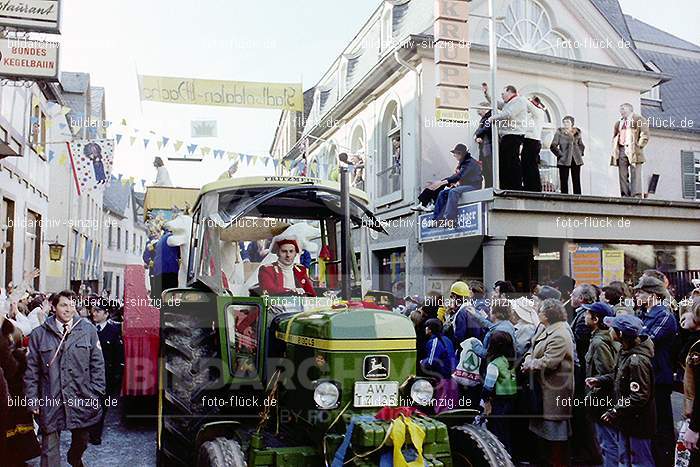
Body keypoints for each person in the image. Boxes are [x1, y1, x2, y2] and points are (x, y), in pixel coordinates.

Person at [24, 290, 106, 467]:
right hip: (51, 398)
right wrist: (32, 400)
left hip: (82, 398)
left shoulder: (88, 330)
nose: (68, 309)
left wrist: (97, 392)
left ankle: (74, 457)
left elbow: (97, 364)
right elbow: (31, 372)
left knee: (82, 440)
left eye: (72, 305)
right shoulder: (39, 334)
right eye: (63, 305)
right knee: (49, 449)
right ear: (53, 307)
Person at [586, 314, 655, 467]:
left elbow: (639, 396)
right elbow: (619, 376)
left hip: (638, 423)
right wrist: (600, 380)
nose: (609, 330)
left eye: (612, 328)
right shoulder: (625, 352)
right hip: (627, 419)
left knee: (640, 461)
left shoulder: (637, 360)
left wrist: (615, 411)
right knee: (625, 459)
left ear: (621, 334)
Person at [522, 299, 575, 466]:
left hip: (555, 390)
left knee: (555, 434)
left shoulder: (560, 333)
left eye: (540, 312)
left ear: (548, 315)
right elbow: (531, 348)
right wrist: (529, 359)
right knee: (544, 432)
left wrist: (529, 364)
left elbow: (550, 362)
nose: (538, 314)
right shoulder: (546, 328)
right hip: (543, 388)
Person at [635, 275, 678, 466]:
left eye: (640, 291)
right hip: (644, 376)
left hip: (658, 377)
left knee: (662, 426)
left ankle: (666, 461)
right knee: (648, 426)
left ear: (653, 294)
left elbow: (647, 341)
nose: (636, 294)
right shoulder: (643, 313)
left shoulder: (664, 315)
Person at [583, 302, 619, 467]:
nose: (584, 316)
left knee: (607, 443)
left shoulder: (599, 342)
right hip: (604, 400)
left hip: (602, 401)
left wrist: (590, 398)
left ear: (596, 319)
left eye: (587, 314)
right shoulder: (601, 338)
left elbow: (608, 374)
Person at [411, 144, 482, 222]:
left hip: (473, 186)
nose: (454, 156)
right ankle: (436, 219)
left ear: (460, 153)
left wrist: (442, 182)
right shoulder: (463, 163)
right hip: (464, 185)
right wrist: (440, 182)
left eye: (455, 154)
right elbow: (455, 176)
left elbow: (459, 176)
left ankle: (450, 219)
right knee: (442, 192)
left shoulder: (470, 163)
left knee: (453, 191)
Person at [89, 303, 124, 445]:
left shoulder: (114, 330)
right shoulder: (89, 329)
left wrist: (117, 376)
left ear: (106, 313)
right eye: (93, 311)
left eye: (98, 311)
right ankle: (90, 432)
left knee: (102, 405)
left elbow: (119, 355)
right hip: (90, 373)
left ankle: (96, 434)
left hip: (106, 375)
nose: (94, 314)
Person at [481, 331, 517, 453]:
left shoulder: (494, 364)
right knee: (506, 431)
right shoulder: (509, 360)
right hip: (511, 400)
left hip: (498, 402)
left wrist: (486, 402)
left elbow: (488, 387)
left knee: (497, 433)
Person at [488, 85, 528, 190]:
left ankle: (515, 186)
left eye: (503, 93)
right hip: (508, 136)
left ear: (510, 92)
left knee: (511, 161)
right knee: (504, 161)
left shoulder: (519, 101)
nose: (502, 96)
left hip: (513, 135)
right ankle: (506, 185)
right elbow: (497, 104)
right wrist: (486, 94)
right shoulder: (509, 103)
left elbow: (509, 114)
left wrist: (493, 118)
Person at [610, 103, 650, 197]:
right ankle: (624, 194)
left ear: (630, 109)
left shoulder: (639, 119)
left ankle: (636, 194)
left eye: (623, 109)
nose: (621, 111)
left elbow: (645, 134)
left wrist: (639, 146)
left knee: (635, 172)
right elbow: (616, 135)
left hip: (633, 148)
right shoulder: (619, 122)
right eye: (620, 109)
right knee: (622, 174)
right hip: (621, 148)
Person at [420, 318, 458, 414]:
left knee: (441, 409)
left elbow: (431, 361)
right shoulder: (447, 339)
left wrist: (421, 362)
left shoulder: (434, 341)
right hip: (451, 378)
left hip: (442, 378)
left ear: (430, 329)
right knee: (450, 408)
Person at [550, 116, 585, 195]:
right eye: (564, 122)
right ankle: (564, 197)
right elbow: (553, 146)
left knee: (576, 180)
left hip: (576, 159)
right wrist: (560, 155)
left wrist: (579, 153)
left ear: (572, 123)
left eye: (568, 122)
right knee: (564, 180)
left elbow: (581, 145)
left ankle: (578, 197)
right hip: (564, 159)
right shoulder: (559, 132)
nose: (565, 124)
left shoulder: (577, 133)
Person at [521, 96, 545, 192]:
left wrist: (524, 99)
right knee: (525, 164)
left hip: (533, 141)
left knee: (531, 164)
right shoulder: (530, 115)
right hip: (527, 141)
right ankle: (528, 185)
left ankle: (535, 187)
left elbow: (530, 106)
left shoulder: (539, 112)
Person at [474, 96, 493, 188]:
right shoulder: (484, 119)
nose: (477, 111)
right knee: (486, 171)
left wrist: (477, 135)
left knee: (489, 170)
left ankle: (490, 187)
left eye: (479, 109)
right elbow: (479, 131)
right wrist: (477, 136)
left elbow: (484, 129)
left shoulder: (489, 117)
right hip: (485, 149)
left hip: (488, 148)